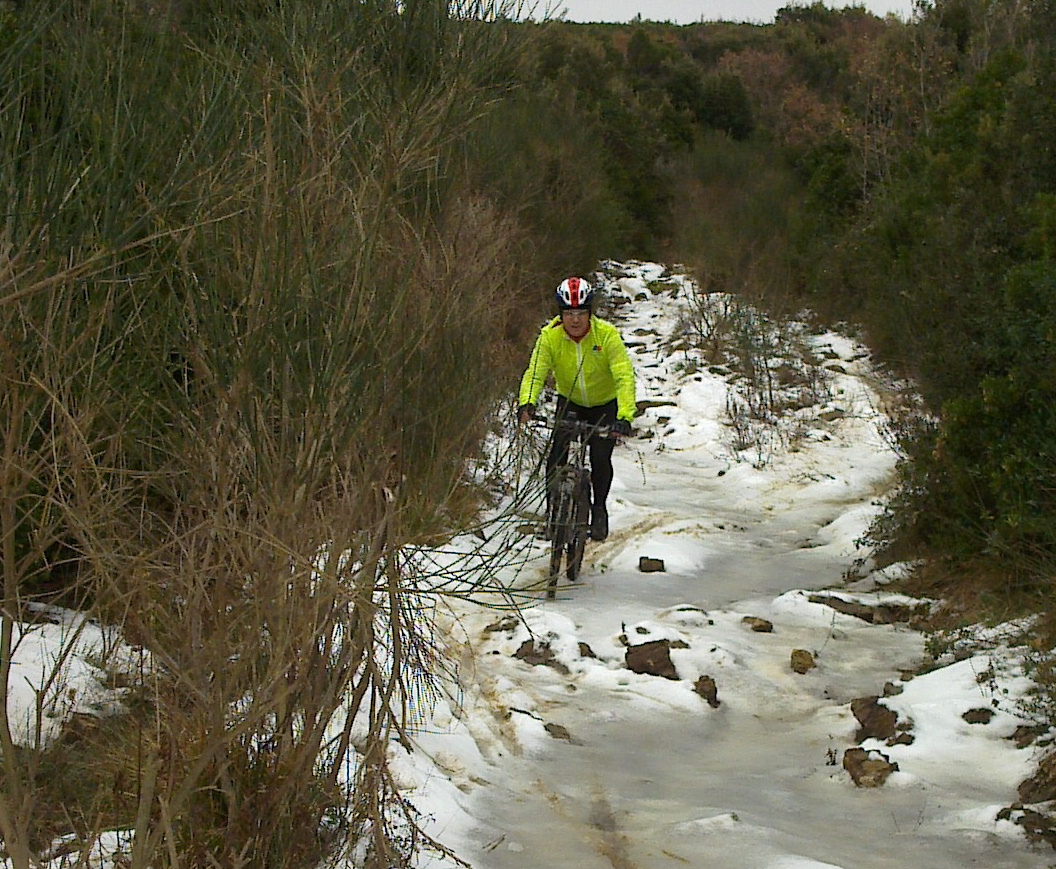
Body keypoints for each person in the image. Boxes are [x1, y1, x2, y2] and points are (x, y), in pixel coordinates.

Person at [518, 276, 636, 542]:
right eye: (569, 313)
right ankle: (553, 515)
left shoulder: (606, 335)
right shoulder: (550, 337)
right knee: (556, 458)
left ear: (589, 313)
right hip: (570, 401)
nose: (575, 320)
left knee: (599, 458)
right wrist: (528, 402)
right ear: (561, 313)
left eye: (581, 313)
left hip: (604, 404)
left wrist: (624, 416)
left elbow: (624, 376)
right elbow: (535, 373)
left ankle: (599, 508)